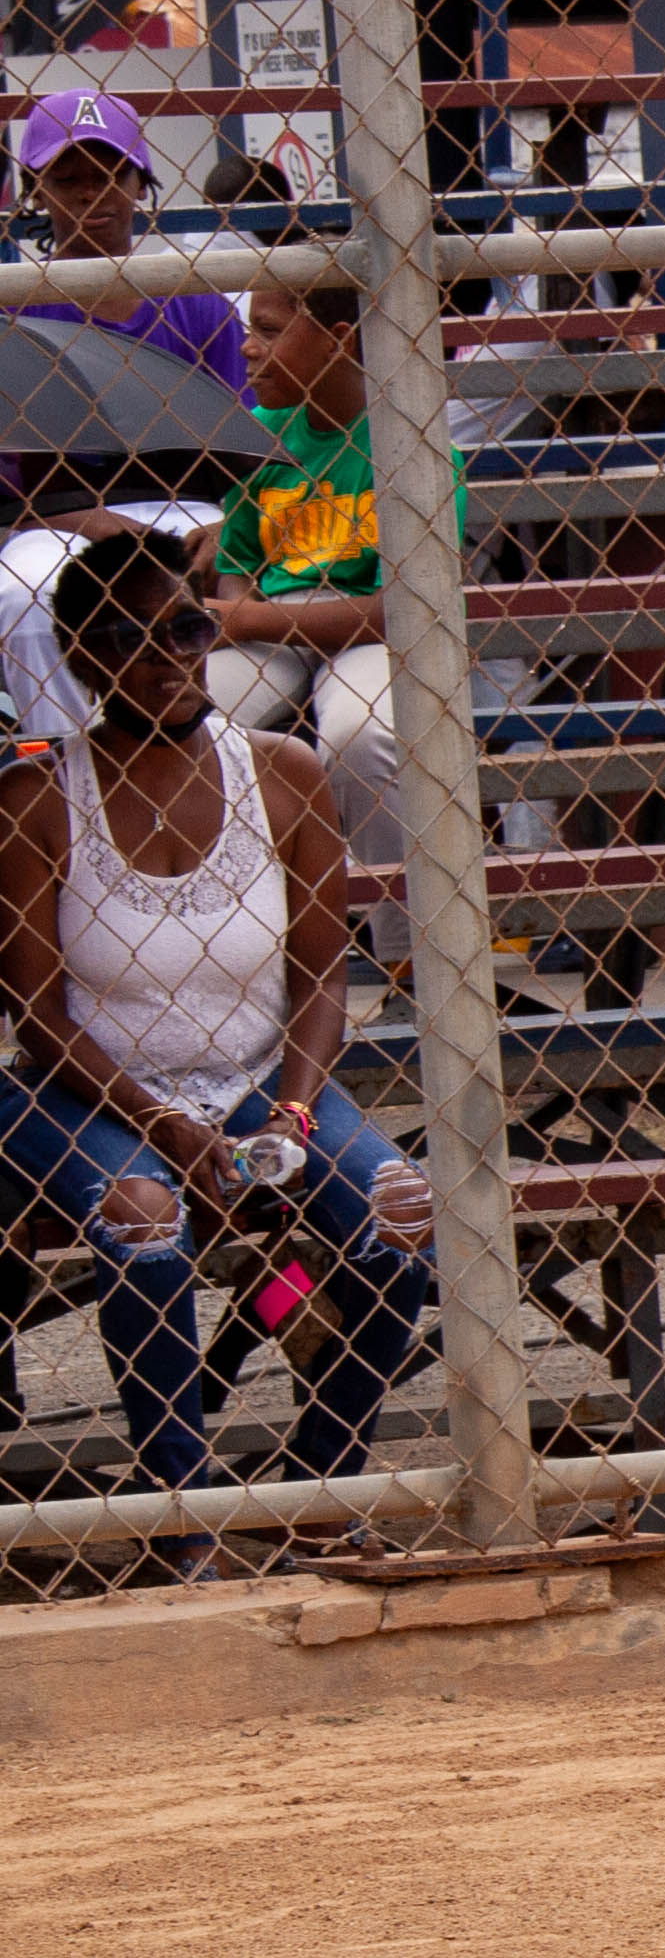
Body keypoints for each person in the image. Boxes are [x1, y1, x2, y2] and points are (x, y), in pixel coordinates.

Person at [0, 528, 435, 1566]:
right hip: (87, 1090)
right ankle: (180, 1511)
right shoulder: (36, 799)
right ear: (83, 658)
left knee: (400, 1214)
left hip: (248, 1080)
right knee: (145, 1217)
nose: (166, 657)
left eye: (186, 629)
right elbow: (41, 1019)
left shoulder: (281, 772)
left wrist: (289, 1111)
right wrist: (164, 1130)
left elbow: (323, 974)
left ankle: (317, 1485)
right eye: (129, 639)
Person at [198, 282, 406, 867]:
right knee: (193, 718)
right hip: (271, 620)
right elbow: (236, 562)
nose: (247, 349)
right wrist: (242, 607)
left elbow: (400, 609)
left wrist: (247, 618)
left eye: (268, 331)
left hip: (368, 628)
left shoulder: (404, 434)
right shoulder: (257, 432)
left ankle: (402, 945)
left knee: (358, 737)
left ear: (338, 341)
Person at [12, 88, 250, 404]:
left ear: (141, 182)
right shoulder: (14, 308)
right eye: (68, 179)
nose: (91, 193)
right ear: (37, 191)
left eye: (111, 175)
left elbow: (238, 438)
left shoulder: (200, 308)